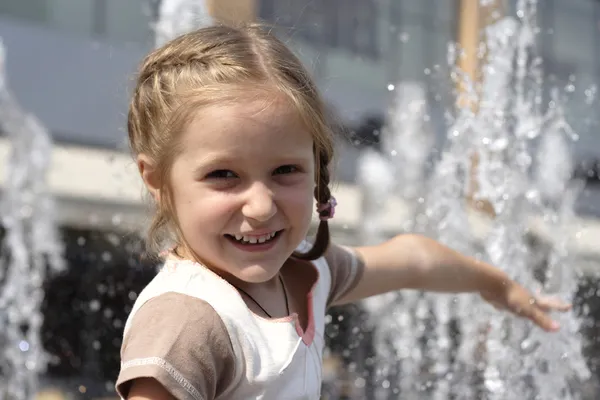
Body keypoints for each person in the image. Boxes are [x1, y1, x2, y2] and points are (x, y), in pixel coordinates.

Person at [116, 23, 570, 400]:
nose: (260, 205)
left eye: (285, 170)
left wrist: (497, 284)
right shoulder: (187, 319)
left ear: (318, 169)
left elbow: (412, 259)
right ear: (157, 181)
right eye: (223, 175)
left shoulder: (308, 276)